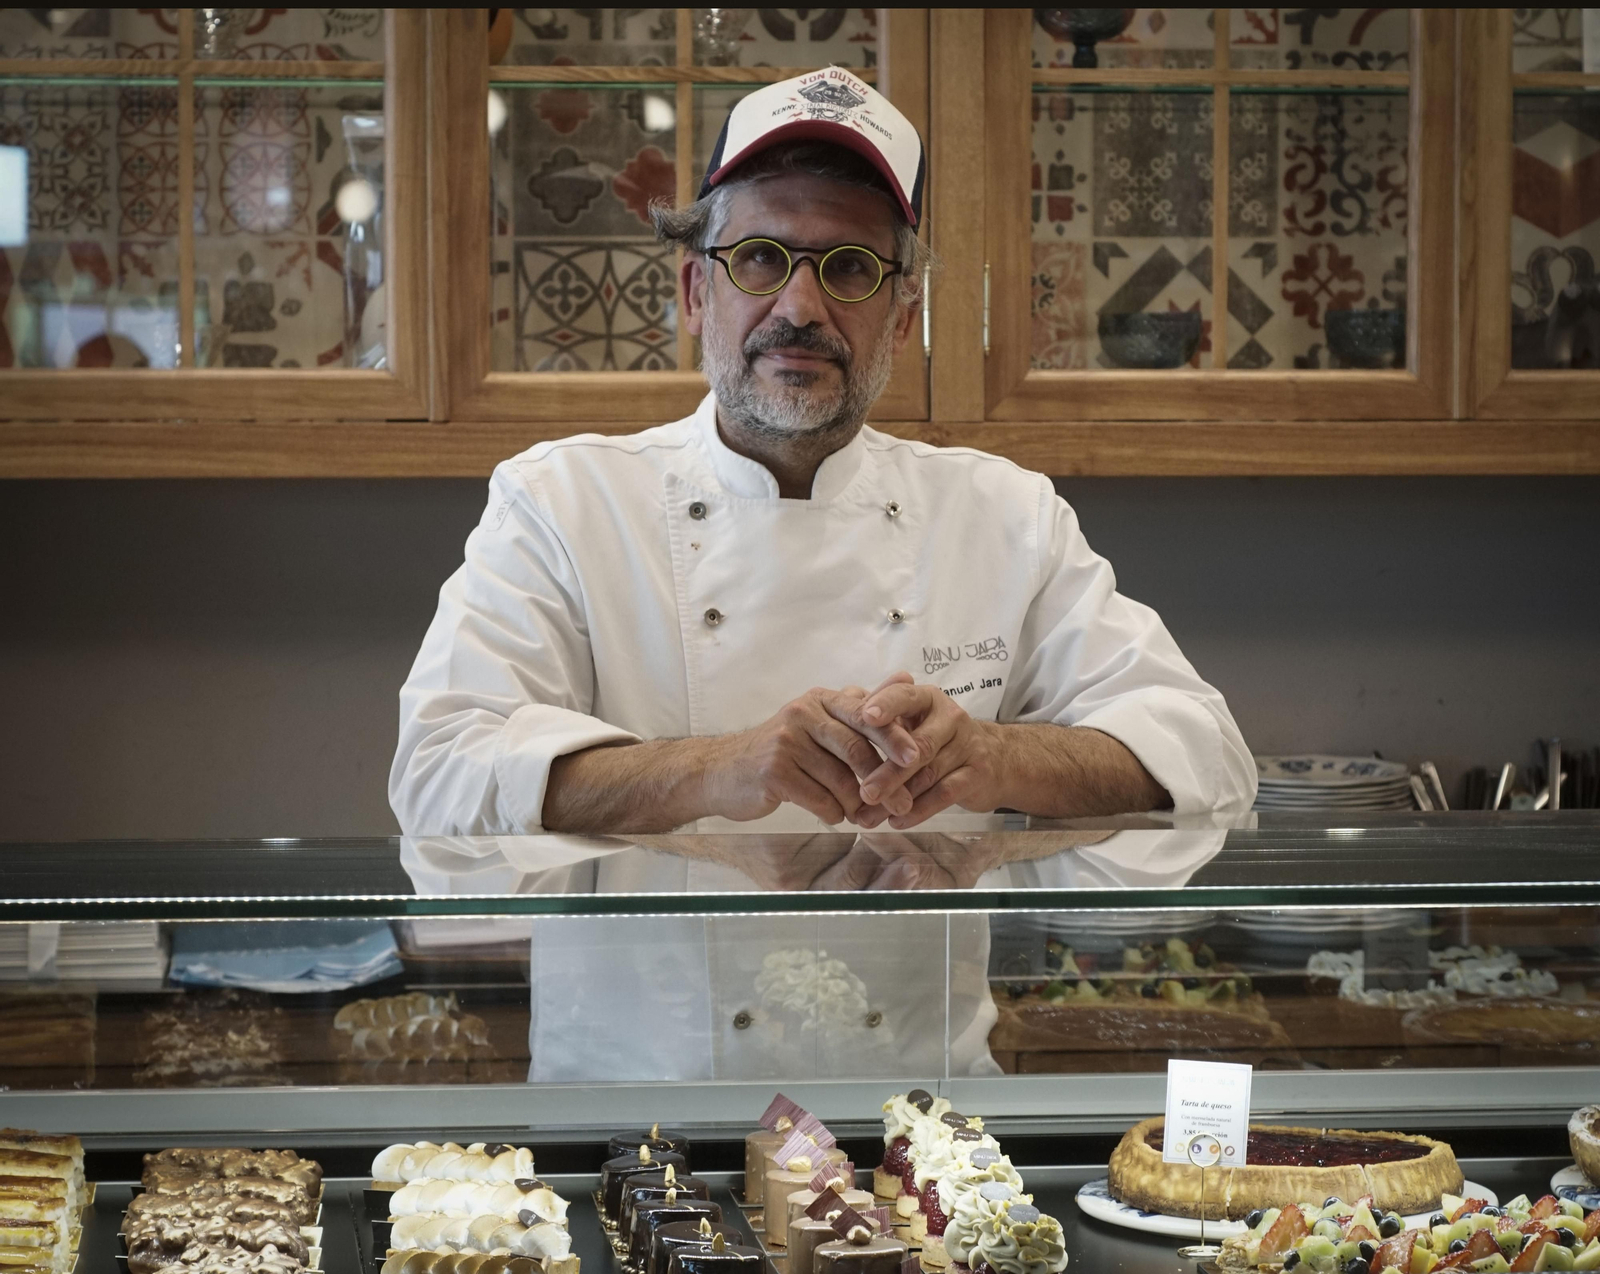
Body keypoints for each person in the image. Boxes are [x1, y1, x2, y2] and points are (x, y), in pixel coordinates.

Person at [390, 68, 1255, 839]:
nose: (800, 307)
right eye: (761, 258)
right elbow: (438, 775)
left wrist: (992, 756)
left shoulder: (1005, 515)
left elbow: (1209, 755)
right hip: (653, 1013)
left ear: (905, 315)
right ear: (697, 291)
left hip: (915, 1012)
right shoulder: (561, 502)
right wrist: (720, 768)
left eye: (848, 269)